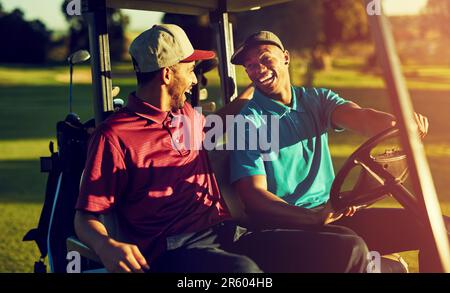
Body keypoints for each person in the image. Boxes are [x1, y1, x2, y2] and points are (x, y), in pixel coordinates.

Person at [74, 24, 368, 273]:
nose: (193, 80)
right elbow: (85, 217)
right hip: (172, 249)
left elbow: (226, 116)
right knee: (244, 273)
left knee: (347, 247)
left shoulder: (185, 115)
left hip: (228, 232)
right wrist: (105, 245)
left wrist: (262, 78)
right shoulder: (114, 136)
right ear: (166, 74)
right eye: (189, 70)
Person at [229, 31, 449, 272]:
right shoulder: (247, 123)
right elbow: (253, 196)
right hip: (290, 226)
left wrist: (399, 124)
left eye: (264, 59)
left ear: (286, 58)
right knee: (352, 248)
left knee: (439, 228)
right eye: (249, 66)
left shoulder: (316, 99)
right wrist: (313, 218)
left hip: (333, 212)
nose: (257, 69)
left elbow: (361, 117)